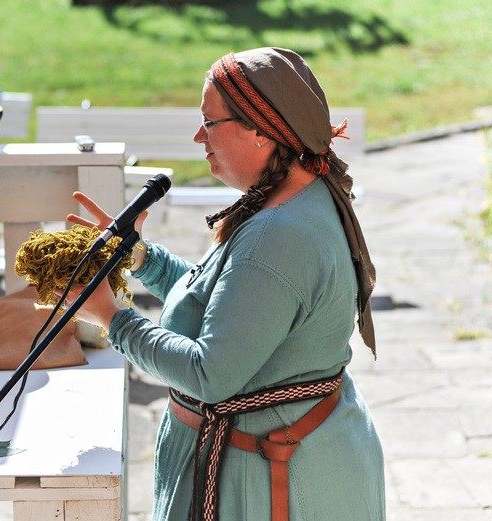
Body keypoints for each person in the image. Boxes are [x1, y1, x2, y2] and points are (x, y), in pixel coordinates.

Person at [64, 48, 384, 520]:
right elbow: (225, 300)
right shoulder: (294, 197)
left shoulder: (276, 236)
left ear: (259, 130)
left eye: (209, 122)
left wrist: (112, 318)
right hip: (297, 461)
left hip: (270, 485)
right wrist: (141, 258)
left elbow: (208, 375)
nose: (199, 136)